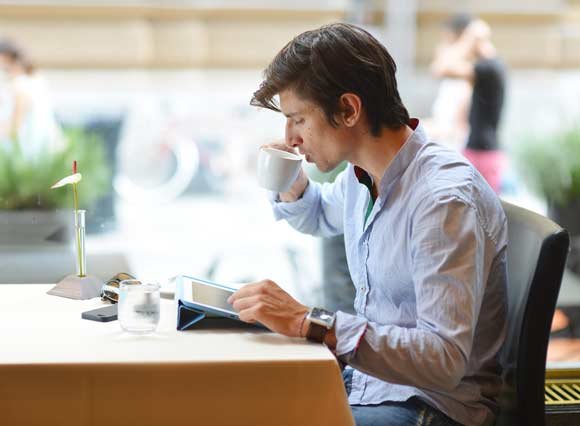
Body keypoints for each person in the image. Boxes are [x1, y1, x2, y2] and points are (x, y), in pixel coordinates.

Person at [229, 23, 508, 426]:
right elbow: (320, 214)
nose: (290, 138)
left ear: (348, 110)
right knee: (241, 399)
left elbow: (444, 359)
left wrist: (310, 323)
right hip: (373, 384)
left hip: (431, 405)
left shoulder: (442, 199)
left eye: (298, 120)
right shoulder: (362, 174)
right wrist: (292, 182)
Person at [430, 19, 508, 194]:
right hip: (481, 151)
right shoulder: (491, 67)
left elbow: (440, 68)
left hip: (482, 155)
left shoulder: (489, 68)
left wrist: (467, 40)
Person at [0, 39, 61, 160]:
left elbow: (14, 128)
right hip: (46, 152)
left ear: (5, 58)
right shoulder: (35, 80)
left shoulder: (20, 86)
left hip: (35, 156)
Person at [424, 13, 473, 151]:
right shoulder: (451, 81)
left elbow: (457, 129)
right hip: (444, 142)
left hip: (452, 147)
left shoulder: (465, 77)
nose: (441, 45)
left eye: (446, 38)